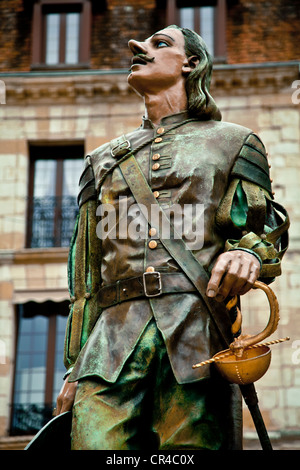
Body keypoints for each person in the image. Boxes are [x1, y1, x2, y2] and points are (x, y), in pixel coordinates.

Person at [55, 25, 289, 450]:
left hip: (195, 336)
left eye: (160, 44)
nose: (137, 48)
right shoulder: (101, 161)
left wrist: (246, 253)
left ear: (192, 63)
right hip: (107, 349)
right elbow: (84, 279)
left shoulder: (234, 143)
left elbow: (264, 226)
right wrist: (74, 369)